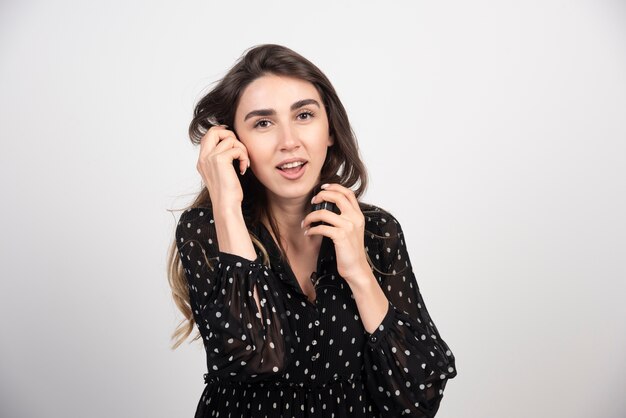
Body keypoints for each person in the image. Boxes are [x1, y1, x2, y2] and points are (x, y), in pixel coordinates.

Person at [167, 44, 457, 417]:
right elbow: (257, 357)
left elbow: (418, 397)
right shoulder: (207, 230)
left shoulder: (378, 231)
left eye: (304, 115)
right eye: (263, 123)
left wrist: (359, 273)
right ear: (234, 142)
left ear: (331, 130)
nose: (289, 142)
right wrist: (225, 202)